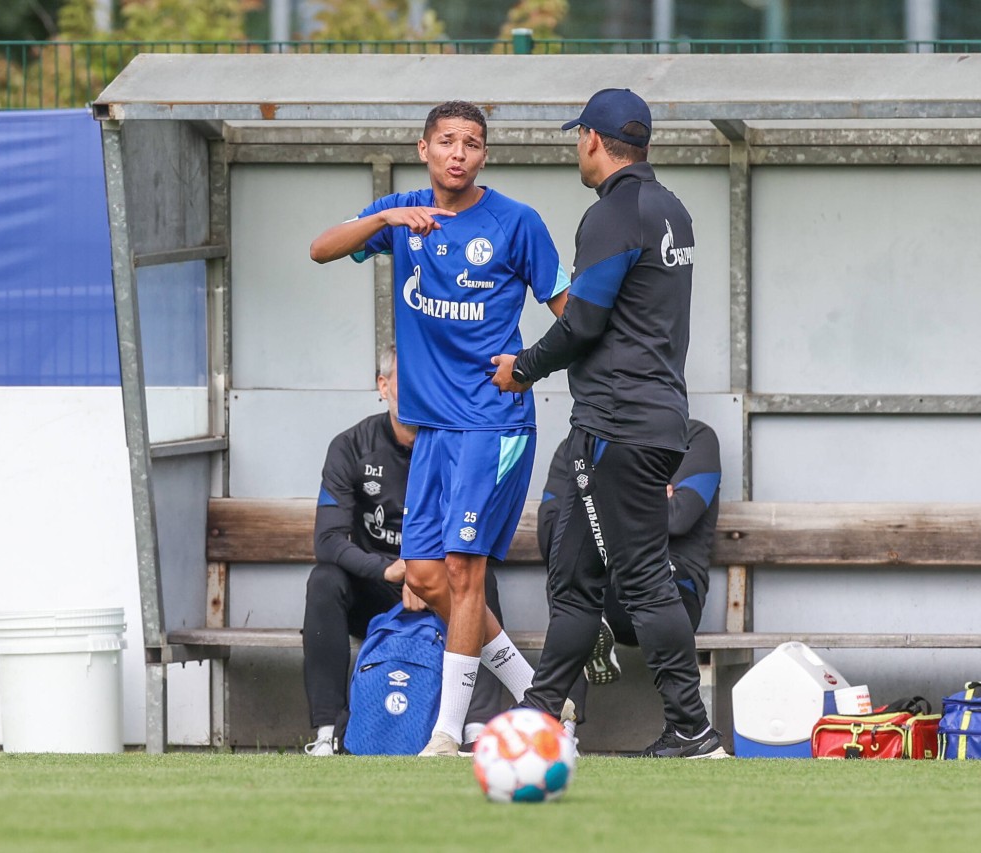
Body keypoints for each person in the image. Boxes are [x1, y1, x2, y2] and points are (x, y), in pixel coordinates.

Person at [310, 101, 570, 756]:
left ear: (485, 155)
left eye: (473, 143)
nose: (460, 152)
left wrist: (530, 366)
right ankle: (540, 698)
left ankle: (447, 735)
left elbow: (575, 318)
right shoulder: (399, 213)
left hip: (492, 421)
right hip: (432, 429)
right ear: (424, 148)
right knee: (425, 575)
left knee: (462, 569)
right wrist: (386, 218)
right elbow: (318, 249)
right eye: (448, 141)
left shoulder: (517, 222)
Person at [491, 88, 728, 758]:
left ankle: (692, 727)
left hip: (617, 425)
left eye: (578, 138)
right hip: (646, 420)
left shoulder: (613, 213)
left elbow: (584, 321)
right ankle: (536, 722)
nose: (577, 149)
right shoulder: (670, 209)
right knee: (575, 582)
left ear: (593, 140)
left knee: (645, 580)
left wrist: (523, 368)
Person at [302, 347, 506, 755]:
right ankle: (327, 733)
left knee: (480, 577)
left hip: (442, 579)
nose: (416, 390)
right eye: (404, 380)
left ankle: (477, 728)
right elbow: (327, 540)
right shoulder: (351, 446)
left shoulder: (455, 444)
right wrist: (389, 570)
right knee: (324, 581)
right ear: (383, 386)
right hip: (379, 588)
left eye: (425, 380)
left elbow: (476, 527)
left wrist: (423, 571)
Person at [538, 420, 721, 727]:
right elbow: (549, 533)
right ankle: (563, 728)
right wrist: (644, 501)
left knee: (594, 570)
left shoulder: (695, 437)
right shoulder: (578, 446)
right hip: (604, 586)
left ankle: (685, 730)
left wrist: (594, 505)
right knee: (568, 572)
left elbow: (679, 518)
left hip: (673, 586)